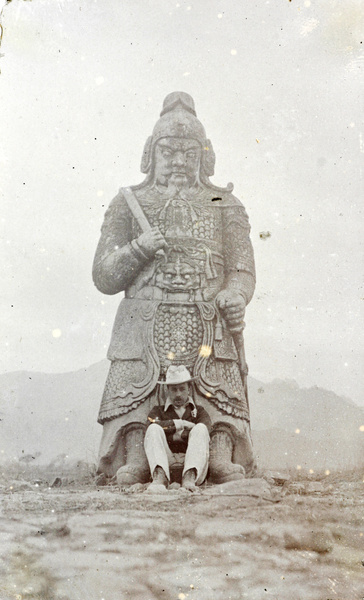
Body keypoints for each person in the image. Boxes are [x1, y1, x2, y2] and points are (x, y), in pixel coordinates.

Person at [93, 91, 256, 487]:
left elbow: (242, 269)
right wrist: (138, 248)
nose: (180, 161)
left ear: (205, 155)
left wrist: (235, 293)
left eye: (189, 152)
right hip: (143, 318)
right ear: (152, 153)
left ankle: (219, 455)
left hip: (207, 317)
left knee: (218, 392)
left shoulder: (225, 203)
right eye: (170, 152)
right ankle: (135, 454)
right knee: (134, 392)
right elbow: (103, 275)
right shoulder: (128, 202)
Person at [144, 365, 211, 491]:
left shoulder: (199, 411)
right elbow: (148, 427)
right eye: (174, 390)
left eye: (182, 389)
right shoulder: (157, 411)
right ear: (167, 390)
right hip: (166, 464)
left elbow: (207, 431)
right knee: (153, 429)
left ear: (189, 389)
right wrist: (180, 424)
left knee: (201, 428)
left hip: (194, 466)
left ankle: (189, 479)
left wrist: (173, 435)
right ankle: (160, 479)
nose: (178, 394)